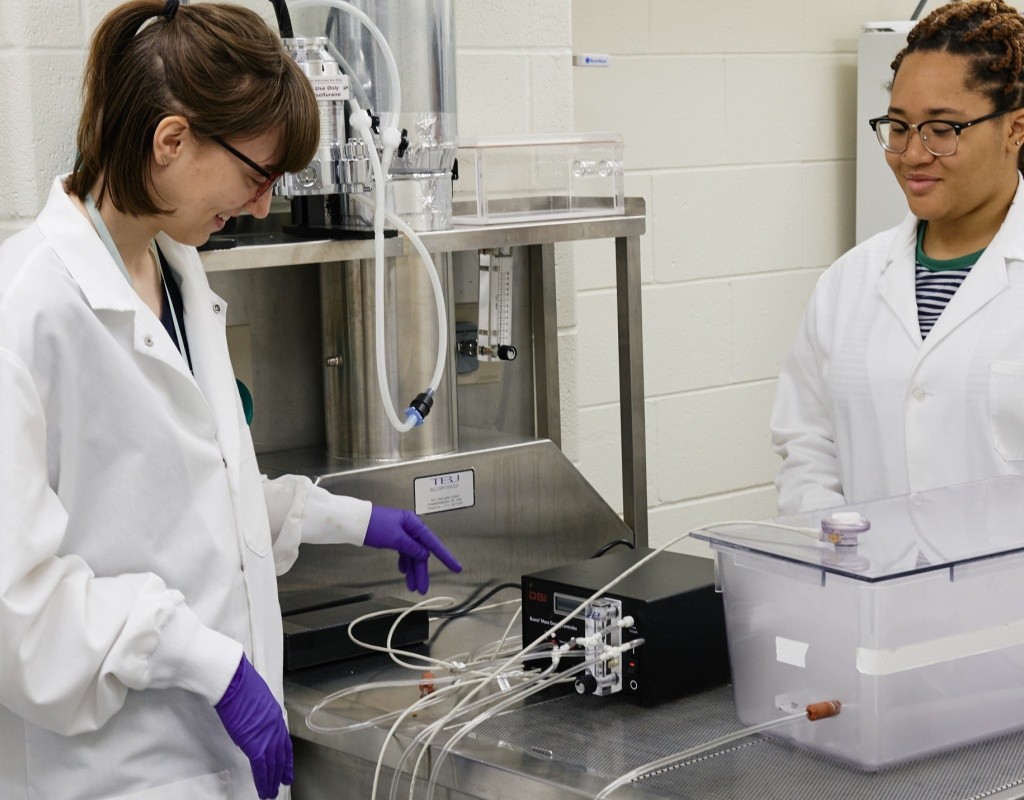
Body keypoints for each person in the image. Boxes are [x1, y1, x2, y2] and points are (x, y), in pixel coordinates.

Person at [0, 2, 461, 799]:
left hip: (218, 768)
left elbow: (191, 505)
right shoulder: (27, 307)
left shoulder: (178, 275)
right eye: (257, 175)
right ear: (171, 140)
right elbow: (17, 606)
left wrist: (352, 521)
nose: (260, 205)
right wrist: (208, 664)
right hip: (116, 773)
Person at [772, 0, 1024, 515]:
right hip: (870, 587)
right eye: (900, 126)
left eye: (942, 129)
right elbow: (809, 448)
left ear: (1016, 128)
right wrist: (838, 552)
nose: (912, 154)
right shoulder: (850, 282)